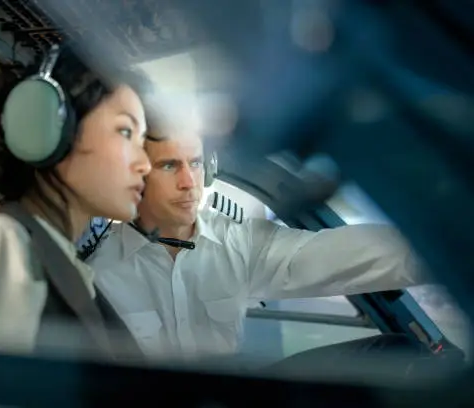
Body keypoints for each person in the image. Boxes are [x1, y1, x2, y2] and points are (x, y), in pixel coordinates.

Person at [86, 129, 428, 360]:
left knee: (396, 351)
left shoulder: (238, 242)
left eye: (196, 163)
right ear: (136, 176)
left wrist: (442, 245)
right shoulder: (96, 270)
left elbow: (361, 256)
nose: (189, 182)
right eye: (169, 166)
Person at [0, 46, 151, 358]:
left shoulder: (59, 260)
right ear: (49, 128)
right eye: (125, 132)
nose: (145, 164)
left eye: (142, 141)